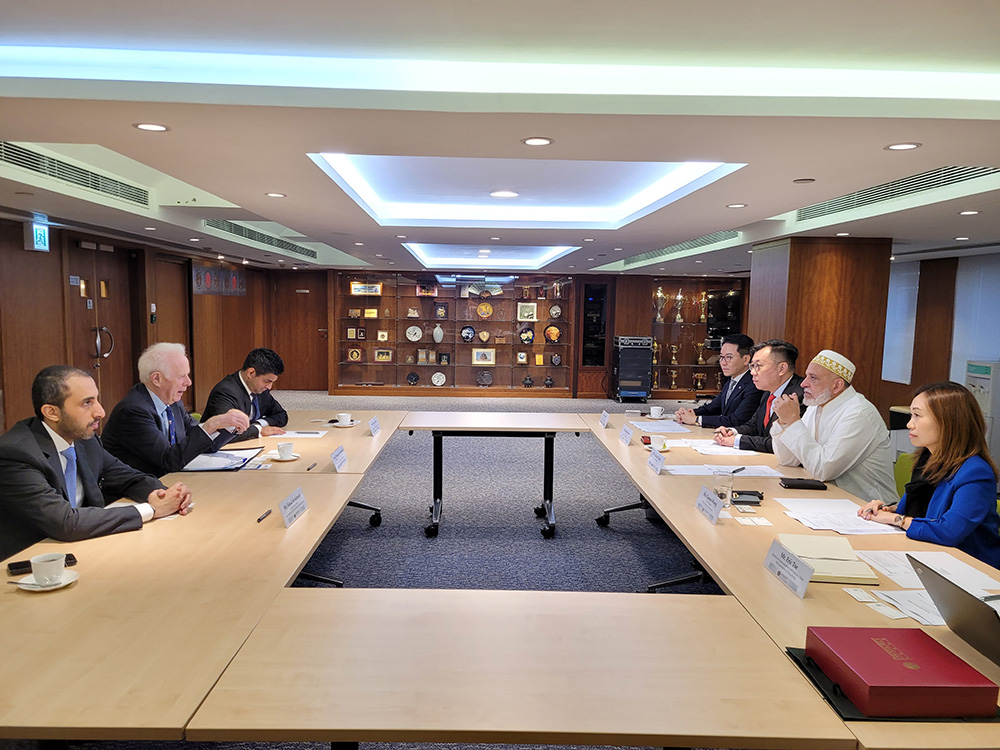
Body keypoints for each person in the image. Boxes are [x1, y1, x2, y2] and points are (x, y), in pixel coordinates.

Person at [0, 366, 193, 560]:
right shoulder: (16, 454)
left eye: (96, 400)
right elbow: (65, 522)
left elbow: (128, 477)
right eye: (87, 403)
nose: (100, 412)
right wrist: (151, 510)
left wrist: (163, 494)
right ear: (52, 412)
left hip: (84, 548)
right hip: (31, 561)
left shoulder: (85, 439)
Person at [859, 382, 1000, 568]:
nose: (909, 424)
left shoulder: (976, 473)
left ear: (947, 422)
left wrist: (898, 520)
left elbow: (949, 531)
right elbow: (916, 512)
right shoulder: (927, 460)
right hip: (929, 557)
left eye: (917, 416)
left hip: (970, 568)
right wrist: (887, 510)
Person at [103, 342, 249, 476]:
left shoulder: (173, 403)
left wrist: (229, 424)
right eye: (181, 376)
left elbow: (204, 445)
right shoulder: (133, 411)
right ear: (156, 379)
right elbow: (169, 460)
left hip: (169, 482)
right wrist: (211, 425)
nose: (188, 382)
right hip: (137, 490)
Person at [771, 349, 897, 504]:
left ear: (837, 385)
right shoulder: (816, 405)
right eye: (806, 376)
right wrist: (785, 422)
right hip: (828, 499)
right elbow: (788, 460)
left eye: (813, 378)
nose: (803, 383)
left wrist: (793, 421)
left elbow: (823, 470)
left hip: (869, 507)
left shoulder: (859, 413)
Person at [713, 339, 804, 453]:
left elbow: (782, 443)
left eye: (758, 366)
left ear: (782, 368)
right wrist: (731, 432)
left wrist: (738, 440)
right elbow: (754, 426)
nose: (752, 372)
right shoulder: (768, 392)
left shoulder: (799, 396)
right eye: (752, 366)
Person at [675, 333, 762, 428]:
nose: (723, 363)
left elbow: (737, 420)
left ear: (746, 359)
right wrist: (689, 413)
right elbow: (713, 408)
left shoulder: (754, 384)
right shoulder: (731, 381)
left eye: (729, 357)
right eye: (721, 357)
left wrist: (696, 419)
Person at [201, 348, 288, 442]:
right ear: (251, 373)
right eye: (267, 381)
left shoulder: (260, 389)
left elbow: (281, 415)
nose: (269, 387)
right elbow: (228, 432)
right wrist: (258, 430)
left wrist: (258, 424)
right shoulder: (225, 392)